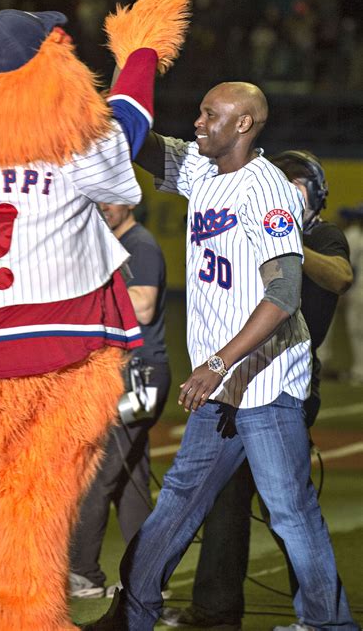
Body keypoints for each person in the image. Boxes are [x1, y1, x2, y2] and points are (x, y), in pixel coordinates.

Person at [0, 0, 191, 629]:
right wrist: (140, 51)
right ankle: (27, 615)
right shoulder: (75, 161)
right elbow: (129, 120)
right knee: (35, 500)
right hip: (48, 363)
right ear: (56, 71)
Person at [85, 82, 359, 631]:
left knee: (289, 510)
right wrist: (113, 90)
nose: (199, 121)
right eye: (200, 109)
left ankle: (330, 625)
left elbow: (282, 298)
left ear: (244, 125)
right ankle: (133, 615)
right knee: (179, 502)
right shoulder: (202, 170)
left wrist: (216, 363)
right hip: (223, 385)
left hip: (266, 383)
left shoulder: (269, 193)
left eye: (212, 114)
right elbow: (141, 142)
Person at [160, 150, 354, 631]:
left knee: (289, 508)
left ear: (316, 195)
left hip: (285, 386)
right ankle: (215, 611)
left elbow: (341, 276)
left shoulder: (322, 235)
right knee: (225, 501)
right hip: (237, 385)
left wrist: (282, 237)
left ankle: (321, 616)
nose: (285, 193)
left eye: (297, 187)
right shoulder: (252, 228)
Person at [69, 201, 171, 599]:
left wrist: (86, 299)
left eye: (111, 198)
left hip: (139, 377)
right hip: (133, 376)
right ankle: (144, 579)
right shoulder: (113, 243)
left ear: (130, 201)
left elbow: (143, 307)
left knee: (99, 469)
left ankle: (83, 573)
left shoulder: (138, 244)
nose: (104, 207)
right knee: (131, 480)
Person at [340, 204, 363, 385]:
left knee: (357, 331)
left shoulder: (354, 236)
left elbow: (350, 267)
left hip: (359, 291)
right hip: (358, 290)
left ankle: (359, 371)